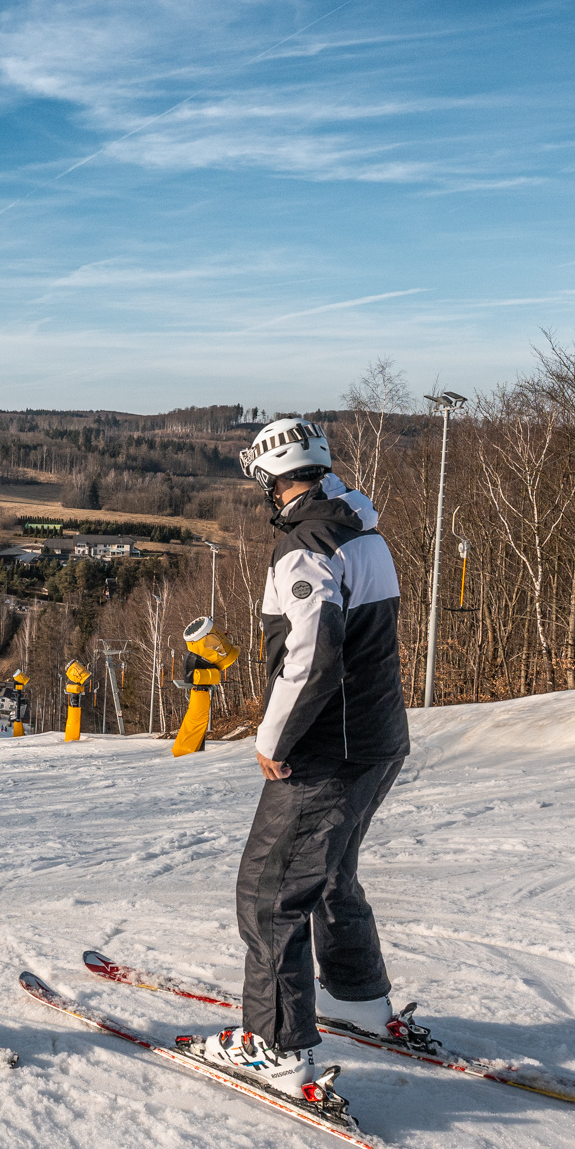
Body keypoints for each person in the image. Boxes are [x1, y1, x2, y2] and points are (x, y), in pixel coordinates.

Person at [194, 416, 418, 1111]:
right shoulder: (360, 527)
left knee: (268, 893)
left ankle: (278, 1045)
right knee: (327, 877)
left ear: (268, 477)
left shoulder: (305, 548)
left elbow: (310, 655)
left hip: (326, 750)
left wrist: (273, 739)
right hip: (378, 739)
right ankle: (357, 1001)